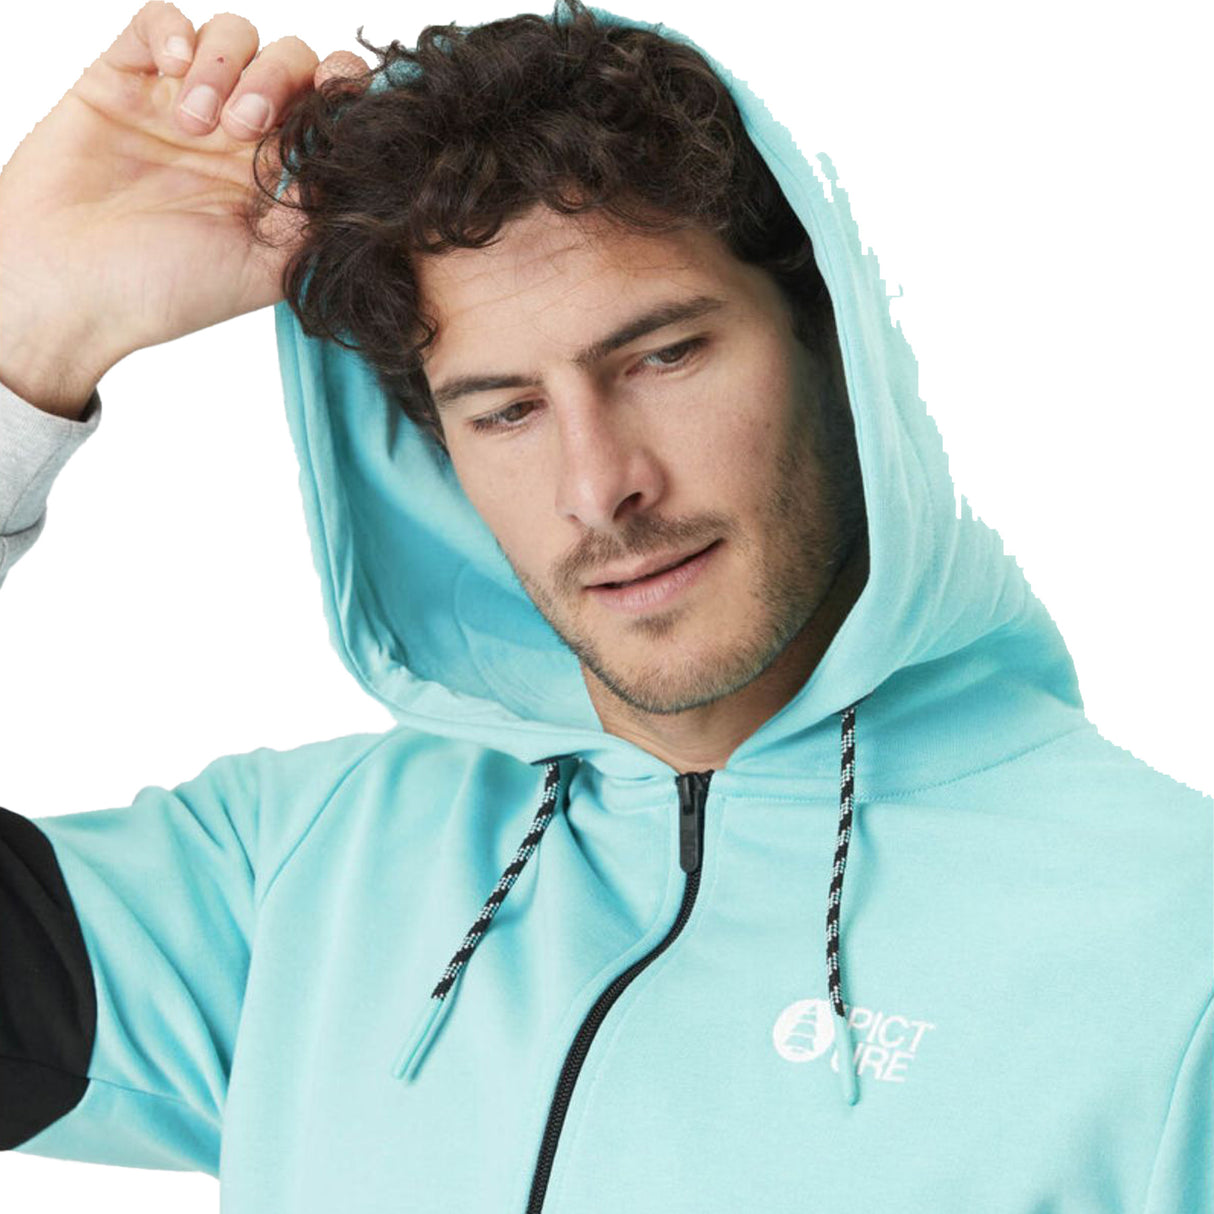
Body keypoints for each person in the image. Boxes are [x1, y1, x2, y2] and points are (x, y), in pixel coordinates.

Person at [1, 0, 1209, 1210]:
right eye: (505, 410)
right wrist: (27, 329)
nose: (598, 487)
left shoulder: (1170, 944)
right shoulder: (302, 871)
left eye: (662, 356)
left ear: (830, 346)